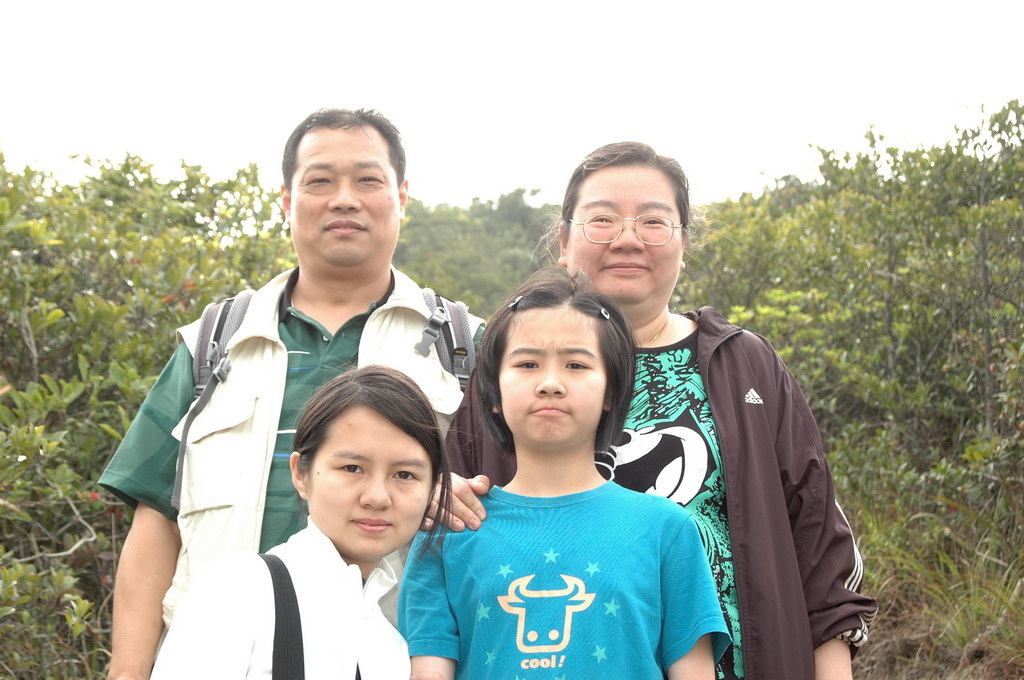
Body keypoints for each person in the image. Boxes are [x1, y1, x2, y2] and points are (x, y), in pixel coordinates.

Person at [443, 143, 878, 679]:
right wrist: (438, 497)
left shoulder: (745, 365)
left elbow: (820, 550)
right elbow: (445, 535)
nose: (628, 239)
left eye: (653, 221)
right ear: (564, 241)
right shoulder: (510, 369)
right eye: (602, 219)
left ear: (684, 243)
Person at [99, 108, 483, 680]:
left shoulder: (466, 348)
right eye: (320, 181)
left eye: (368, 180)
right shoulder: (214, 343)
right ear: (286, 200)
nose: (344, 200)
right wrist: (128, 671)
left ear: (402, 196)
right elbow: (157, 518)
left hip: (393, 660)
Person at [400, 268, 731, 680]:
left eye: (576, 364)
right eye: (527, 364)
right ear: (494, 393)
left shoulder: (668, 530)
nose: (550, 383)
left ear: (611, 392)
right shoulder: (447, 534)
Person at [150, 365, 452, 678]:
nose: (377, 497)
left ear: (433, 487)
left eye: (405, 474)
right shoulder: (239, 592)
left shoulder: (393, 649)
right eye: (352, 468)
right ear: (300, 474)